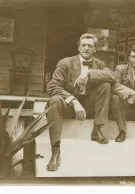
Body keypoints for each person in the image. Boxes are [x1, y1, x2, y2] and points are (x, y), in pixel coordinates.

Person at [45, 33, 117, 171]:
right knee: (54, 100)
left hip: (89, 106)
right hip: (69, 106)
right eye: (83, 45)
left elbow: (113, 76)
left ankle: (97, 129)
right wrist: (73, 101)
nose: (86, 48)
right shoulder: (65, 62)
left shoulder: (99, 63)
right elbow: (53, 86)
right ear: (78, 47)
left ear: (95, 49)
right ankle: (55, 150)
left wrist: (88, 73)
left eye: (90, 46)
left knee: (106, 86)